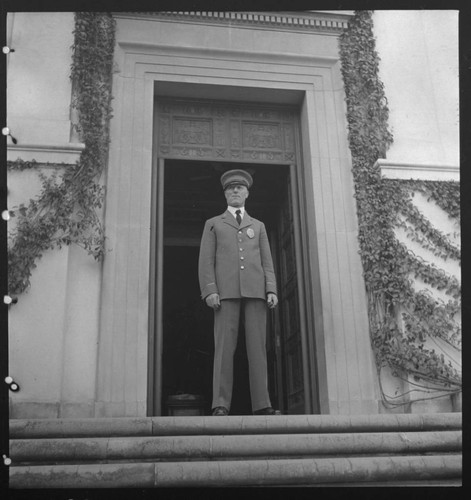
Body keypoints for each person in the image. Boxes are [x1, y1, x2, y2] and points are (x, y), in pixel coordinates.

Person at [198, 168, 281, 416]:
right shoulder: (213, 224)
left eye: (240, 188)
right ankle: (221, 404)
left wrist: (272, 289)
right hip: (225, 293)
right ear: (225, 194)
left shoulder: (259, 225)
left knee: (258, 348)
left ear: (247, 193)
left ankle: (262, 404)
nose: (235, 191)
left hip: (256, 291)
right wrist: (210, 290)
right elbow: (206, 261)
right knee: (224, 349)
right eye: (230, 188)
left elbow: (267, 261)